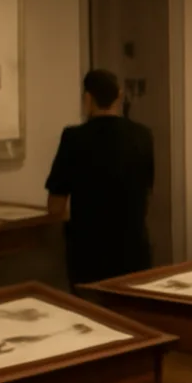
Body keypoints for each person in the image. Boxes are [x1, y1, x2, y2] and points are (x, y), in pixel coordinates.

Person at [45, 69, 154, 288]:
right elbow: (147, 190)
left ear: (88, 98)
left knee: (90, 315)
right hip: (134, 250)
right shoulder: (143, 135)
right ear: (119, 96)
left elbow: (55, 206)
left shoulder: (74, 139)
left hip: (89, 254)